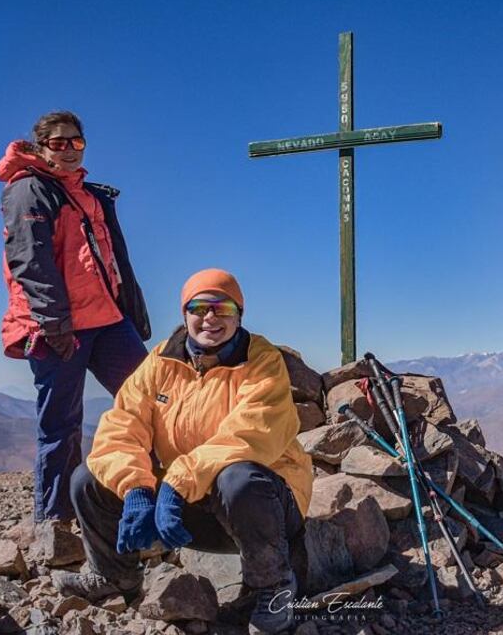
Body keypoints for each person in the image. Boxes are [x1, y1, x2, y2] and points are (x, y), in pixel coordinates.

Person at [52, 268, 313, 635]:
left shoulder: (262, 361)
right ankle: (114, 576)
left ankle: (272, 586)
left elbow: (250, 434)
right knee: (89, 478)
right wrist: (137, 489)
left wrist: (176, 483)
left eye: (223, 308)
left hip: (261, 505)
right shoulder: (161, 362)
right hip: (185, 506)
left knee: (238, 477)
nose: (210, 318)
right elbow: (123, 425)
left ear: (239, 315)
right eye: (199, 308)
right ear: (185, 313)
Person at [0, 111, 152, 526]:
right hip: (58, 327)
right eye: (58, 142)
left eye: (76, 142)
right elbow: (30, 261)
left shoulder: (86, 194)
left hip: (108, 320)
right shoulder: (29, 189)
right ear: (41, 147)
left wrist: (130, 311)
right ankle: (56, 524)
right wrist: (54, 324)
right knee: (61, 426)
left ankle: (158, 496)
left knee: (152, 399)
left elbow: (110, 260)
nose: (68, 149)